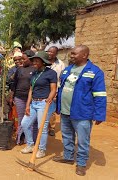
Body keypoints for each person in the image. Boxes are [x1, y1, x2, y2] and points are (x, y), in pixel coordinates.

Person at [53, 45, 106, 176]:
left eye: (74, 54)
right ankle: (68, 157)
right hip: (66, 111)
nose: (71, 56)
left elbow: (100, 94)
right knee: (67, 136)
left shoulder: (95, 72)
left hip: (82, 113)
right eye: (71, 54)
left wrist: (99, 114)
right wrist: (59, 106)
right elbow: (61, 89)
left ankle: (81, 164)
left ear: (84, 55)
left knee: (83, 140)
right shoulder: (68, 70)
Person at [20, 51, 57, 158]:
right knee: (25, 124)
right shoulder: (34, 73)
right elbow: (31, 90)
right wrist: (27, 105)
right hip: (33, 103)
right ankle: (30, 145)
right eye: (33, 60)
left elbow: (53, 89)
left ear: (43, 62)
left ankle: (41, 149)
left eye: (37, 60)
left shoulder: (51, 73)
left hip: (44, 103)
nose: (34, 62)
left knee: (42, 128)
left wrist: (49, 99)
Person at [10, 50, 36, 145]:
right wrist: (12, 96)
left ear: (30, 59)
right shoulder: (19, 70)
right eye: (21, 59)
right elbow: (14, 83)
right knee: (21, 118)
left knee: (30, 119)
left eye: (24, 59)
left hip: (32, 99)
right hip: (19, 97)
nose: (22, 61)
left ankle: (29, 140)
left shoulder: (35, 70)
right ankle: (19, 138)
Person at [47, 46, 66, 136]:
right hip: (43, 89)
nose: (49, 53)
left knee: (51, 110)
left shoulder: (61, 64)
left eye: (52, 52)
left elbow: (62, 79)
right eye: (48, 51)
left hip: (54, 90)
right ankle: (44, 126)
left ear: (56, 54)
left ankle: (52, 127)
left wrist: (57, 92)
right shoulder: (44, 62)